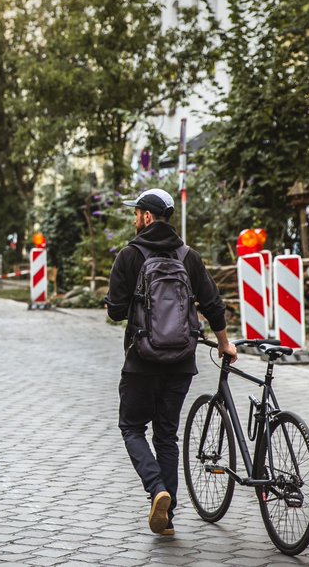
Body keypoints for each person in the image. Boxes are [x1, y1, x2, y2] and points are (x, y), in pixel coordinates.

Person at [104, 188, 237, 537]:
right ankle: (168, 516)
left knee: (132, 428)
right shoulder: (188, 256)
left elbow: (116, 312)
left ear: (147, 217)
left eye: (136, 214)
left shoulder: (129, 256)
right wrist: (225, 345)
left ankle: (156, 490)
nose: (134, 220)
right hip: (181, 361)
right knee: (167, 435)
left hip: (141, 360)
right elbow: (212, 304)